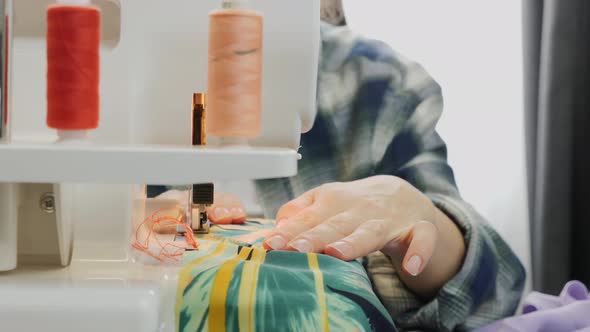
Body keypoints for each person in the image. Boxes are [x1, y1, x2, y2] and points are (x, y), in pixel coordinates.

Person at [155, 2, 526, 330]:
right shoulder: (113, 68)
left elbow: (499, 292)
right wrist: (128, 216)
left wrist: (423, 220)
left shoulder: (377, 82)